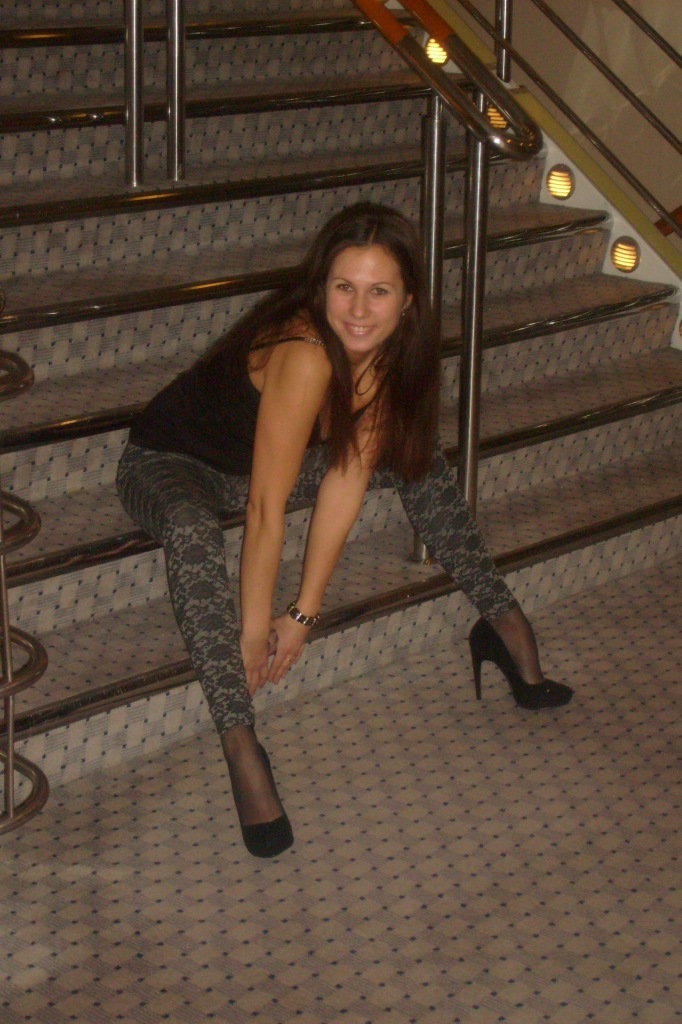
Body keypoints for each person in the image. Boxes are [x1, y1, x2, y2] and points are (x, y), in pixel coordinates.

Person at [116, 202, 573, 859]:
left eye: (379, 291)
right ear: (320, 288)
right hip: (171, 465)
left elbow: (346, 480)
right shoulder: (305, 353)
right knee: (191, 528)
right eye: (344, 287)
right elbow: (267, 509)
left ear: (408, 301)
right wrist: (253, 631)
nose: (359, 310)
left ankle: (504, 622)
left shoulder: (387, 358)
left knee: (414, 454)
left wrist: (304, 614)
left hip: (254, 472)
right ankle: (241, 744)